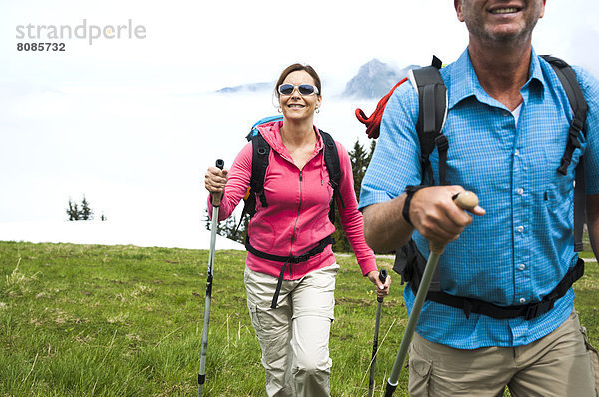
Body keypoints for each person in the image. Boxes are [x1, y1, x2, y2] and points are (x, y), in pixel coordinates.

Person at [359, 1, 598, 396]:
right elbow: (372, 229)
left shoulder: (579, 93)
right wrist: (411, 206)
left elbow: (597, 208)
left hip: (552, 332)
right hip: (452, 339)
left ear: (541, 5)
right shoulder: (416, 101)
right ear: (459, 7)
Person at [204, 63, 391, 397]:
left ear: (318, 100)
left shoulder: (334, 153)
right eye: (287, 89)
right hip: (264, 275)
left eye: (306, 90)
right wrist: (215, 194)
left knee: (311, 364)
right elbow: (226, 207)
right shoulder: (256, 150)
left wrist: (369, 266)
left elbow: (350, 215)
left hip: (315, 270)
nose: (296, 95)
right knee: (279, 374)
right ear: (279, 100)